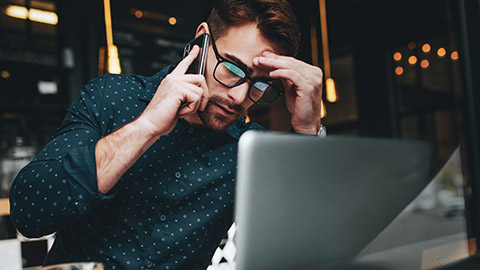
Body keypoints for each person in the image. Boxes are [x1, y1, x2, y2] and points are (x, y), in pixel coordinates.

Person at [9, 0, 323, 269]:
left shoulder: (251, 150)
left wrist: (308, 131)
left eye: (260, 84)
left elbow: (303, 250)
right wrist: (146, 127)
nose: (240, 97)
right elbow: (30, 213)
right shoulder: (111, 97)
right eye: (232, 69)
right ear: (202, 41)